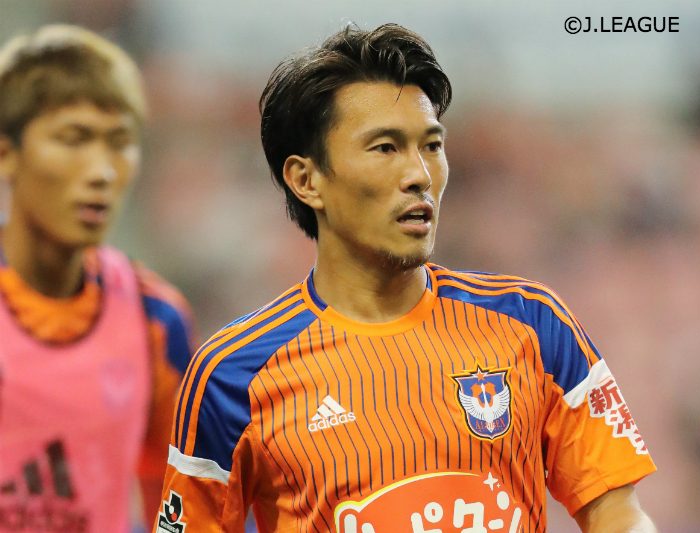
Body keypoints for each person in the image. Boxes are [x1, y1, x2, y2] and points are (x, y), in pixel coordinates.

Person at [158, 23, 656, 532]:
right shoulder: (232, 375)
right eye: (385, 148)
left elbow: (617, 514)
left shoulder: (533, 323)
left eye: (432, 146)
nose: (419, 174)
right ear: (306, 180)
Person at [0, 25, 193, 532]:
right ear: (6, 154)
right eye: (75, 139)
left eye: (120, 143)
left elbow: (178, 505)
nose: (102, 172)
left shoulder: (155, 320)